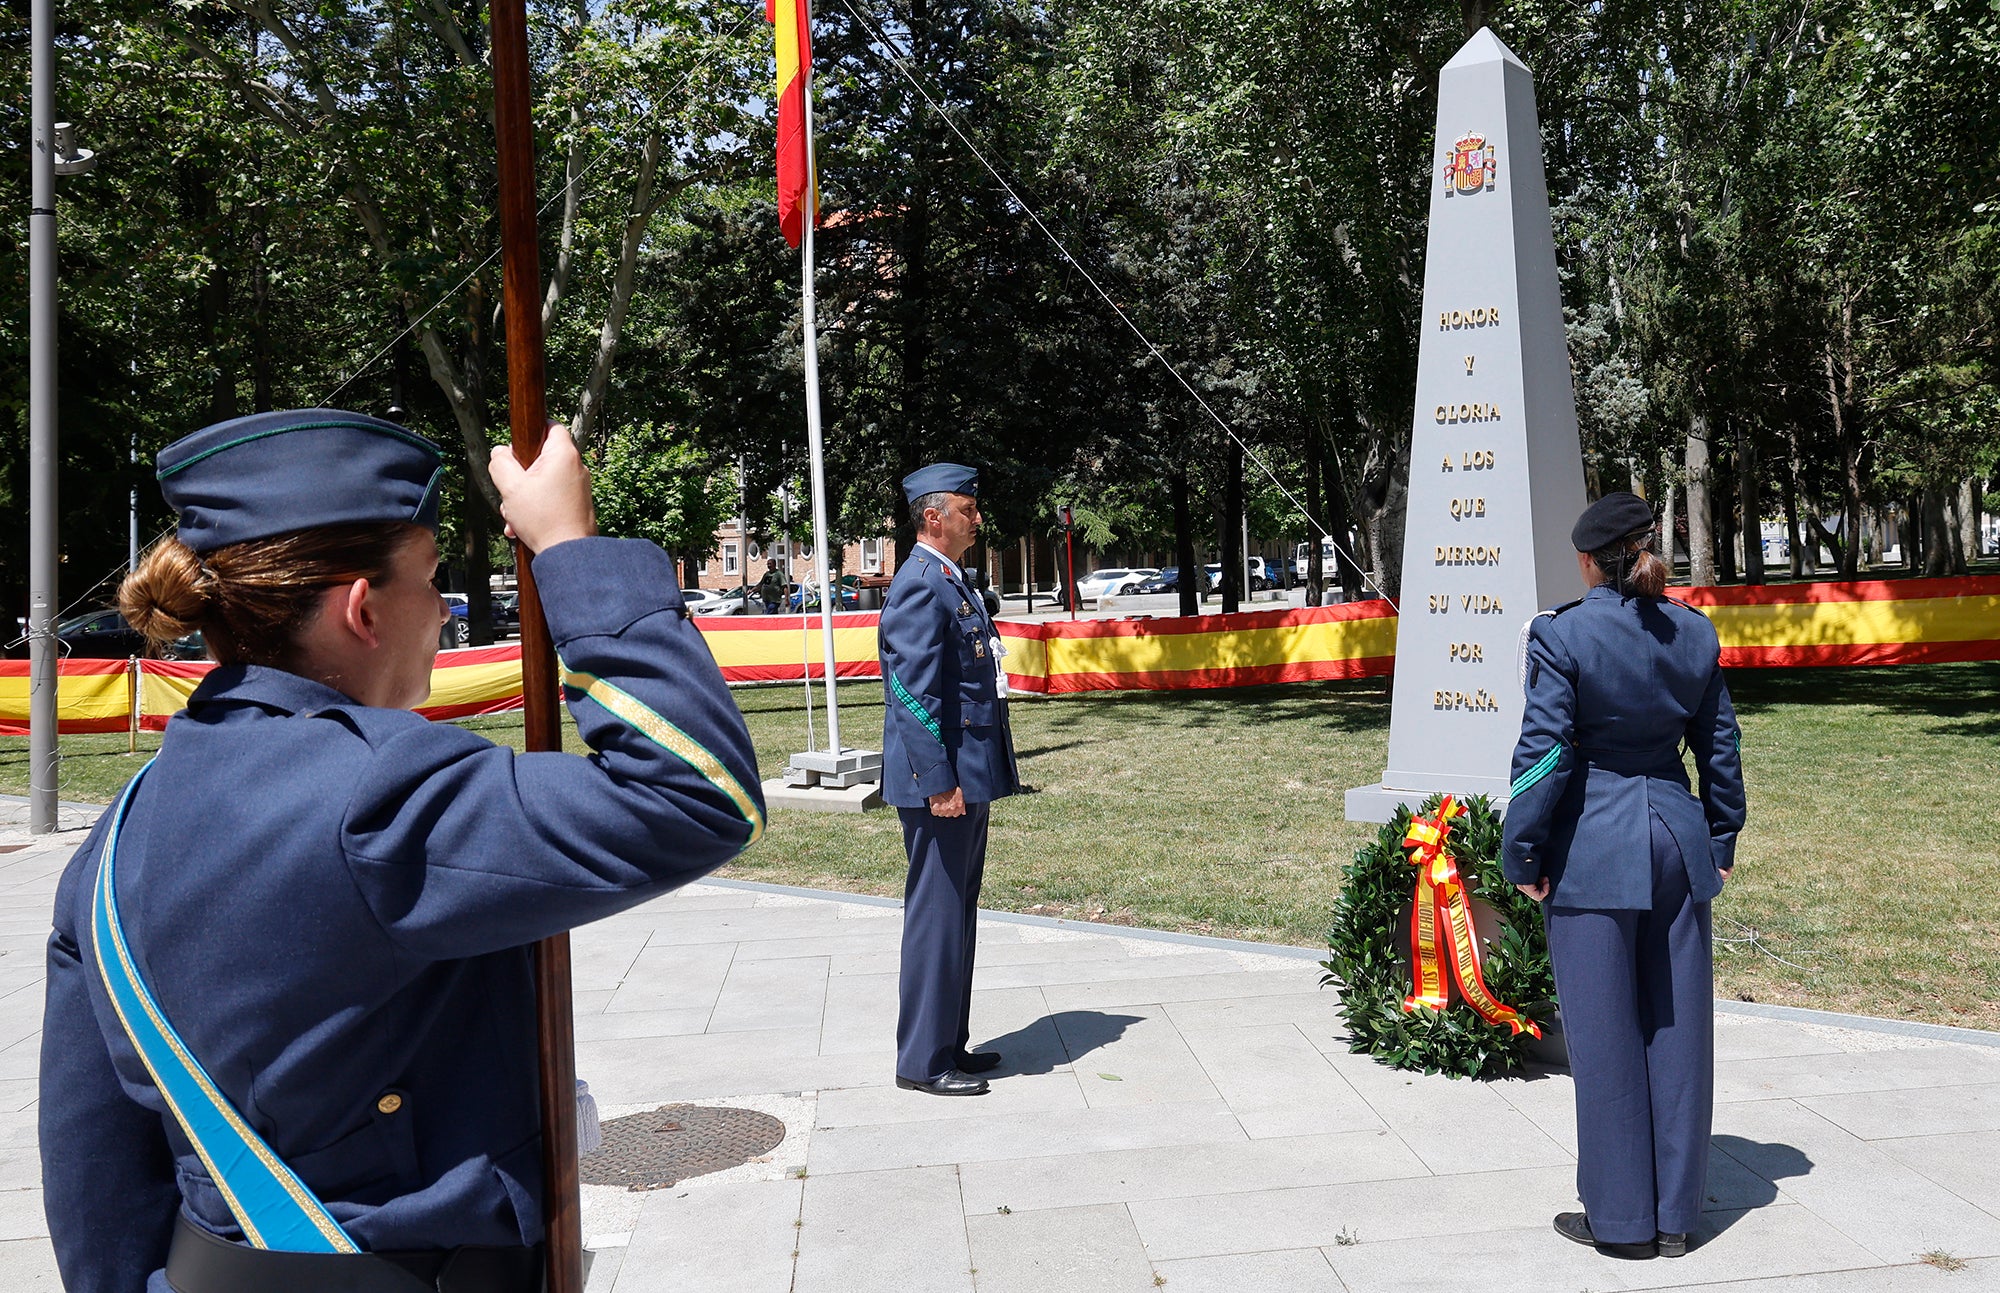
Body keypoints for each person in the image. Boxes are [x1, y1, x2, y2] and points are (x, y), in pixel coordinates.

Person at [39, 409, 765, 1293]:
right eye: (431, 577)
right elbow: (695, 791)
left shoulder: (118, 832)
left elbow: (95, 1171)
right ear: (362, 607)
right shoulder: (377, 791)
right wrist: (573, 548)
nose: (448, 607)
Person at [1502, 491, 1747, 1261]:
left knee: (1604, 1036)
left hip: (1595, 844)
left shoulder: (1562, 634)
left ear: (1587, 561)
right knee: (1676, 1031)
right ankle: (1676, 1216)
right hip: (1677, 841)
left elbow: (1544, 753)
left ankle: (1620, 1221)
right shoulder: (1694, 632)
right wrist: (1721, 835)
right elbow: (1721, 747)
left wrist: (1523, 852)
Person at [878, 464, 1019, 1096]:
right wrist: (938, 782)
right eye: (968, 509)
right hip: (940, 785)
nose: (977, 519)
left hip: (965, 776)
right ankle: (922, 1062)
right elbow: (911, 694)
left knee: (957, 911)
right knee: (936, 914)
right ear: (933, 516)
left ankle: (949, 1043)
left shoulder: (951, 581)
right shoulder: (919, 584)